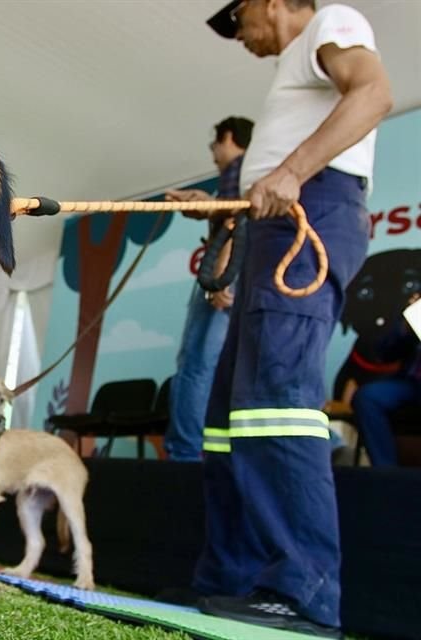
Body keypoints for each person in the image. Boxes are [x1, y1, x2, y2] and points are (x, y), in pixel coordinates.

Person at [194, 1, 392, 637]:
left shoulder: (330, 20)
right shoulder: (296, 62)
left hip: (309, 213)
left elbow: (374, 93)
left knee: (277, 403)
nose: (241, 37)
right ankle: (232, 579)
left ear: (271, 3)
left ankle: (303, 592)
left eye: (240, 20)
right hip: (268, 228)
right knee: (229, 417)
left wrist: (291, 170)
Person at [164, 116, 253, 461]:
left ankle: (185, 452)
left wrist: (220, 275)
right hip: (246, 273)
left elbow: (236, 222)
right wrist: (202, 202)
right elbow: (231, 212)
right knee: (222, 366)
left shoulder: (238, 167)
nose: (214, 152)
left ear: (228, 138)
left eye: (214, 144)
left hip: (226, 271)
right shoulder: (254, 171)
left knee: (196, 363)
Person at [351, 292, 421, 467]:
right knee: (367, 397)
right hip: (412, 383)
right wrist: (407, 325)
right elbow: (385, 353)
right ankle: (386, 471)